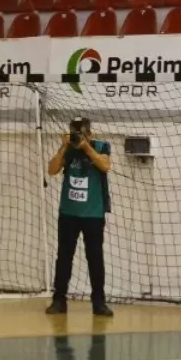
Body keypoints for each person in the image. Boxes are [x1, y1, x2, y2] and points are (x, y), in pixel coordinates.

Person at [46, 116, 113, 317]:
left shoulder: (101, 146)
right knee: (64, 256)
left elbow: (105, 166)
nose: (77, 137)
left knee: (95, 257)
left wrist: (86, 148)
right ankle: (59, 300)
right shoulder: (68, 150)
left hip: (93, 213)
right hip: (68, 213)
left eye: (81, 133)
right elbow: (52, 170)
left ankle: (99, 302)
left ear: (89, 134)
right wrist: (63, 148)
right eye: (74, 132)